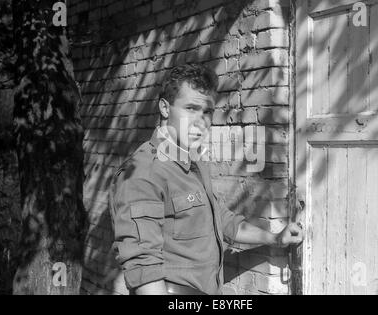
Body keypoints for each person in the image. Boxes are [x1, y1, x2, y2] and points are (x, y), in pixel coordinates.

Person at [109, 64, 304, 295]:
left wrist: (274, 238)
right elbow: (143, 267)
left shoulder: (194, 162)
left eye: (207, 111)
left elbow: (220, 220)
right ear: (164, 108)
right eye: (190, 108)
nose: (200, 122)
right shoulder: (144, 173)